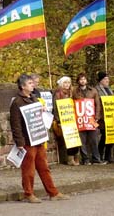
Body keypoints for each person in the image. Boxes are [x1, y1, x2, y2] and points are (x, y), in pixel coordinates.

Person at [9, 74, 70, 203]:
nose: (33, 85)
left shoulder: (34, 98)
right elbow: (15, 124)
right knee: (28, 169)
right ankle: (28, 193)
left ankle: (53, 192)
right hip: (27, 140)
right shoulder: (17, 102)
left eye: (32, 83)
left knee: (44, 167)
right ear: (22, 86)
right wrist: (19, 142)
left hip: (38, 137)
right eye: (30, 83)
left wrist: (42, 110)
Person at [72, 73, 106, 165]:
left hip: (91, 118)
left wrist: (97, 117)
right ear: (78, 81)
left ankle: (96, 158)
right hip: (81, 118)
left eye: (84, 79)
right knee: (82, 140)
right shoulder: (74, 91)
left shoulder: (93, 91)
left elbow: (97, 104)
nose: (82, 81)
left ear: (86, 80)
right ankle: (85, 159)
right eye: (81, 79)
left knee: (94, 139)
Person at [53, 76, 80, 166]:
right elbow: (56, 107)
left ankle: (75, 157)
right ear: (61, 84)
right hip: (64, 119)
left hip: (72, 118)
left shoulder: (72, 93)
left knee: (74, 137)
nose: (67, 85)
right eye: (65, 83)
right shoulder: (58, 93)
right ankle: (70, 158)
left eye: (68, 83)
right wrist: (58, 120)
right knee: (68, 139)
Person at [94, 71, 114, 163]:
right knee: (104, 136)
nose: (107, 81)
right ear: (100, 80)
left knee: (111, 136)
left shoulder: (109, 89)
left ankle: (108, 156)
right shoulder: (97, 90)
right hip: (103, 117)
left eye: (108, 79)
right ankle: (100, 155)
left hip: (111, 116)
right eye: (105, 79)